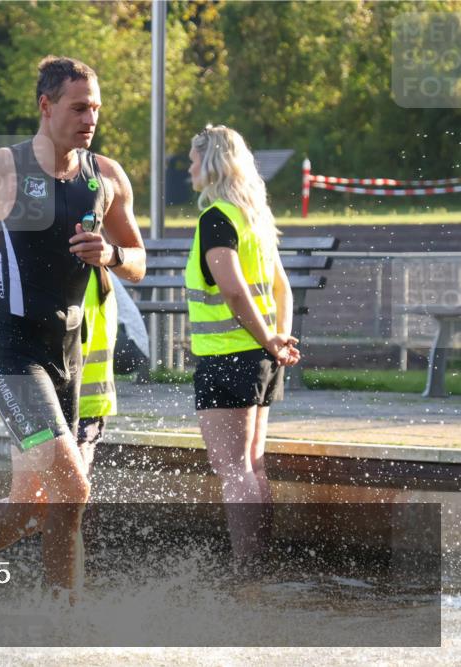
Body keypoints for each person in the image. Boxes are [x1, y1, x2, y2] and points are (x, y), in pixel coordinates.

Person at [0, 56, 145, 627]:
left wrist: (111, 256)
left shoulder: (106, 177)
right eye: (78, 107)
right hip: (10, 351)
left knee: (29, 509)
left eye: (95, 108)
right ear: (46, 105)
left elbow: (137, 259)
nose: (90, 118)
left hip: (68, 355)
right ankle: (67, 626)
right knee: (73, 488)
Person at [185, 125, 300, 566]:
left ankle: (246, 568)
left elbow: (233, 291)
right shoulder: (253, 216)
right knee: (253, 464)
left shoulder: (216, 218)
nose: (190, 168)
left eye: (194, 160)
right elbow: (281, 288)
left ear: (211, 163)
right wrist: (277, 342)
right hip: (260, 357)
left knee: (233, 469)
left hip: (227, 358)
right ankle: (259, 562)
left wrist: (270, 340)